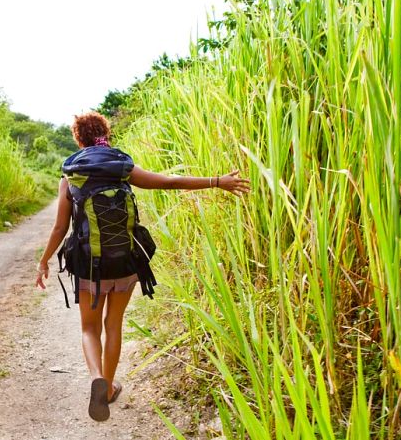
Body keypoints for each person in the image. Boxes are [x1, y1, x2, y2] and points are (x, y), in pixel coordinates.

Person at [35, 111, 250, 421]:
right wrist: (218, 182)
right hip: (125, 262)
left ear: (78, 139)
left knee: (89, 328)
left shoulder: (71, 177)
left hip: (88, 265)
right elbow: (170, 182)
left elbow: (59, 228)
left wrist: (43, 262)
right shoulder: (123, 169)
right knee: (114, 324)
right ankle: (108, 388)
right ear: (106, 134)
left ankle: (96, 377)